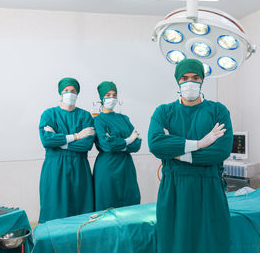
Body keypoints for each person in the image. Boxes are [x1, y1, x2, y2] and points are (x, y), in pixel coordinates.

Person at [148, 59, 234, 253]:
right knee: (175, 244)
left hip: (209, 187)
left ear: (202, 80)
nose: (190, 82)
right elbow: (155, 144)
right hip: (174, 190)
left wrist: (177, 154)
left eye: (195, 78)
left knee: (210, 243)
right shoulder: (164, 112)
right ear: (177, 81)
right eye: (184, 78)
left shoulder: (218, 111)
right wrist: (199, 144)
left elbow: (220, 151)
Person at [38, 77, 95, 223]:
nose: (70, 93)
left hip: (79, 167)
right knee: (54, 209)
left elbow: (86, 145)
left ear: (78, 94)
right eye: (66, 91)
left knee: (80, 209)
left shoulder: (85, 116)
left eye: (73, 91)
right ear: (60, 93)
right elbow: (47, 140)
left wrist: (59, 142)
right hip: (55, 168)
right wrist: (77, 136)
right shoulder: (49, 114)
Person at [93, 81, 141, 211]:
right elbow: (106, 144)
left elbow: (137, 144)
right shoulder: (98, 120)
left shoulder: (124, 118)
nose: (112, 98)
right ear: (102, 98)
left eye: (114, 94)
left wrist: (118, 142)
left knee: (130, 203)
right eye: (108, 95)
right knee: (107, 204)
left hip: (126, 166)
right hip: (107, 167)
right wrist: (128, 140)